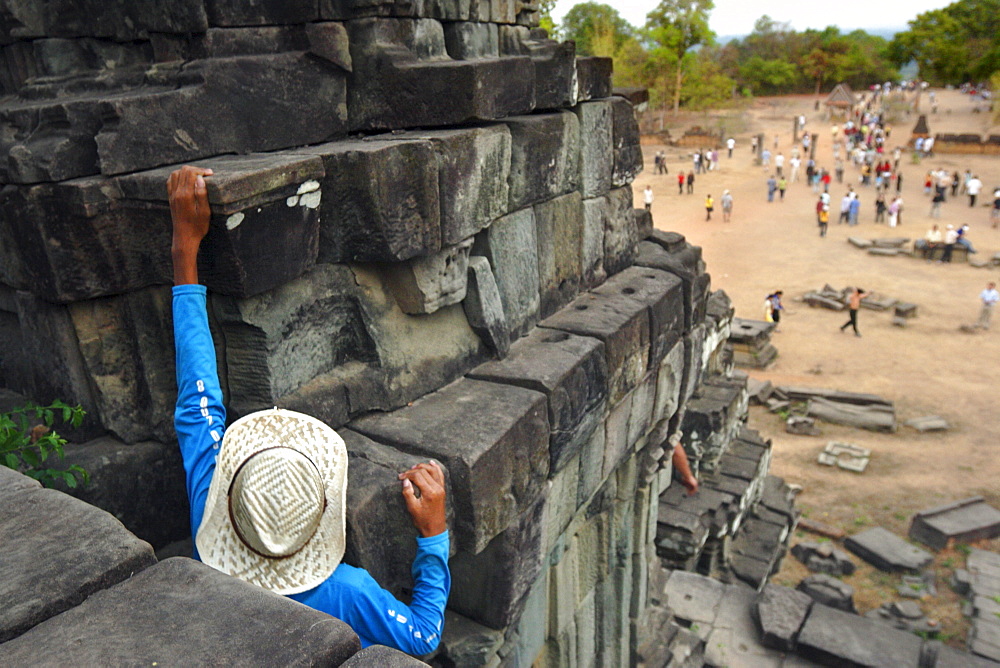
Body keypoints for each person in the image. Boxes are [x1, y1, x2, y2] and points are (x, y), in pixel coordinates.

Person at [167, 166, 450, 655]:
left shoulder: (206, 518)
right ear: (323, 513)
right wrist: (434, 536)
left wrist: (184, 250)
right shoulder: (347, 594)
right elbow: (423, 638)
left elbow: (198, 401)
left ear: (232, 496)